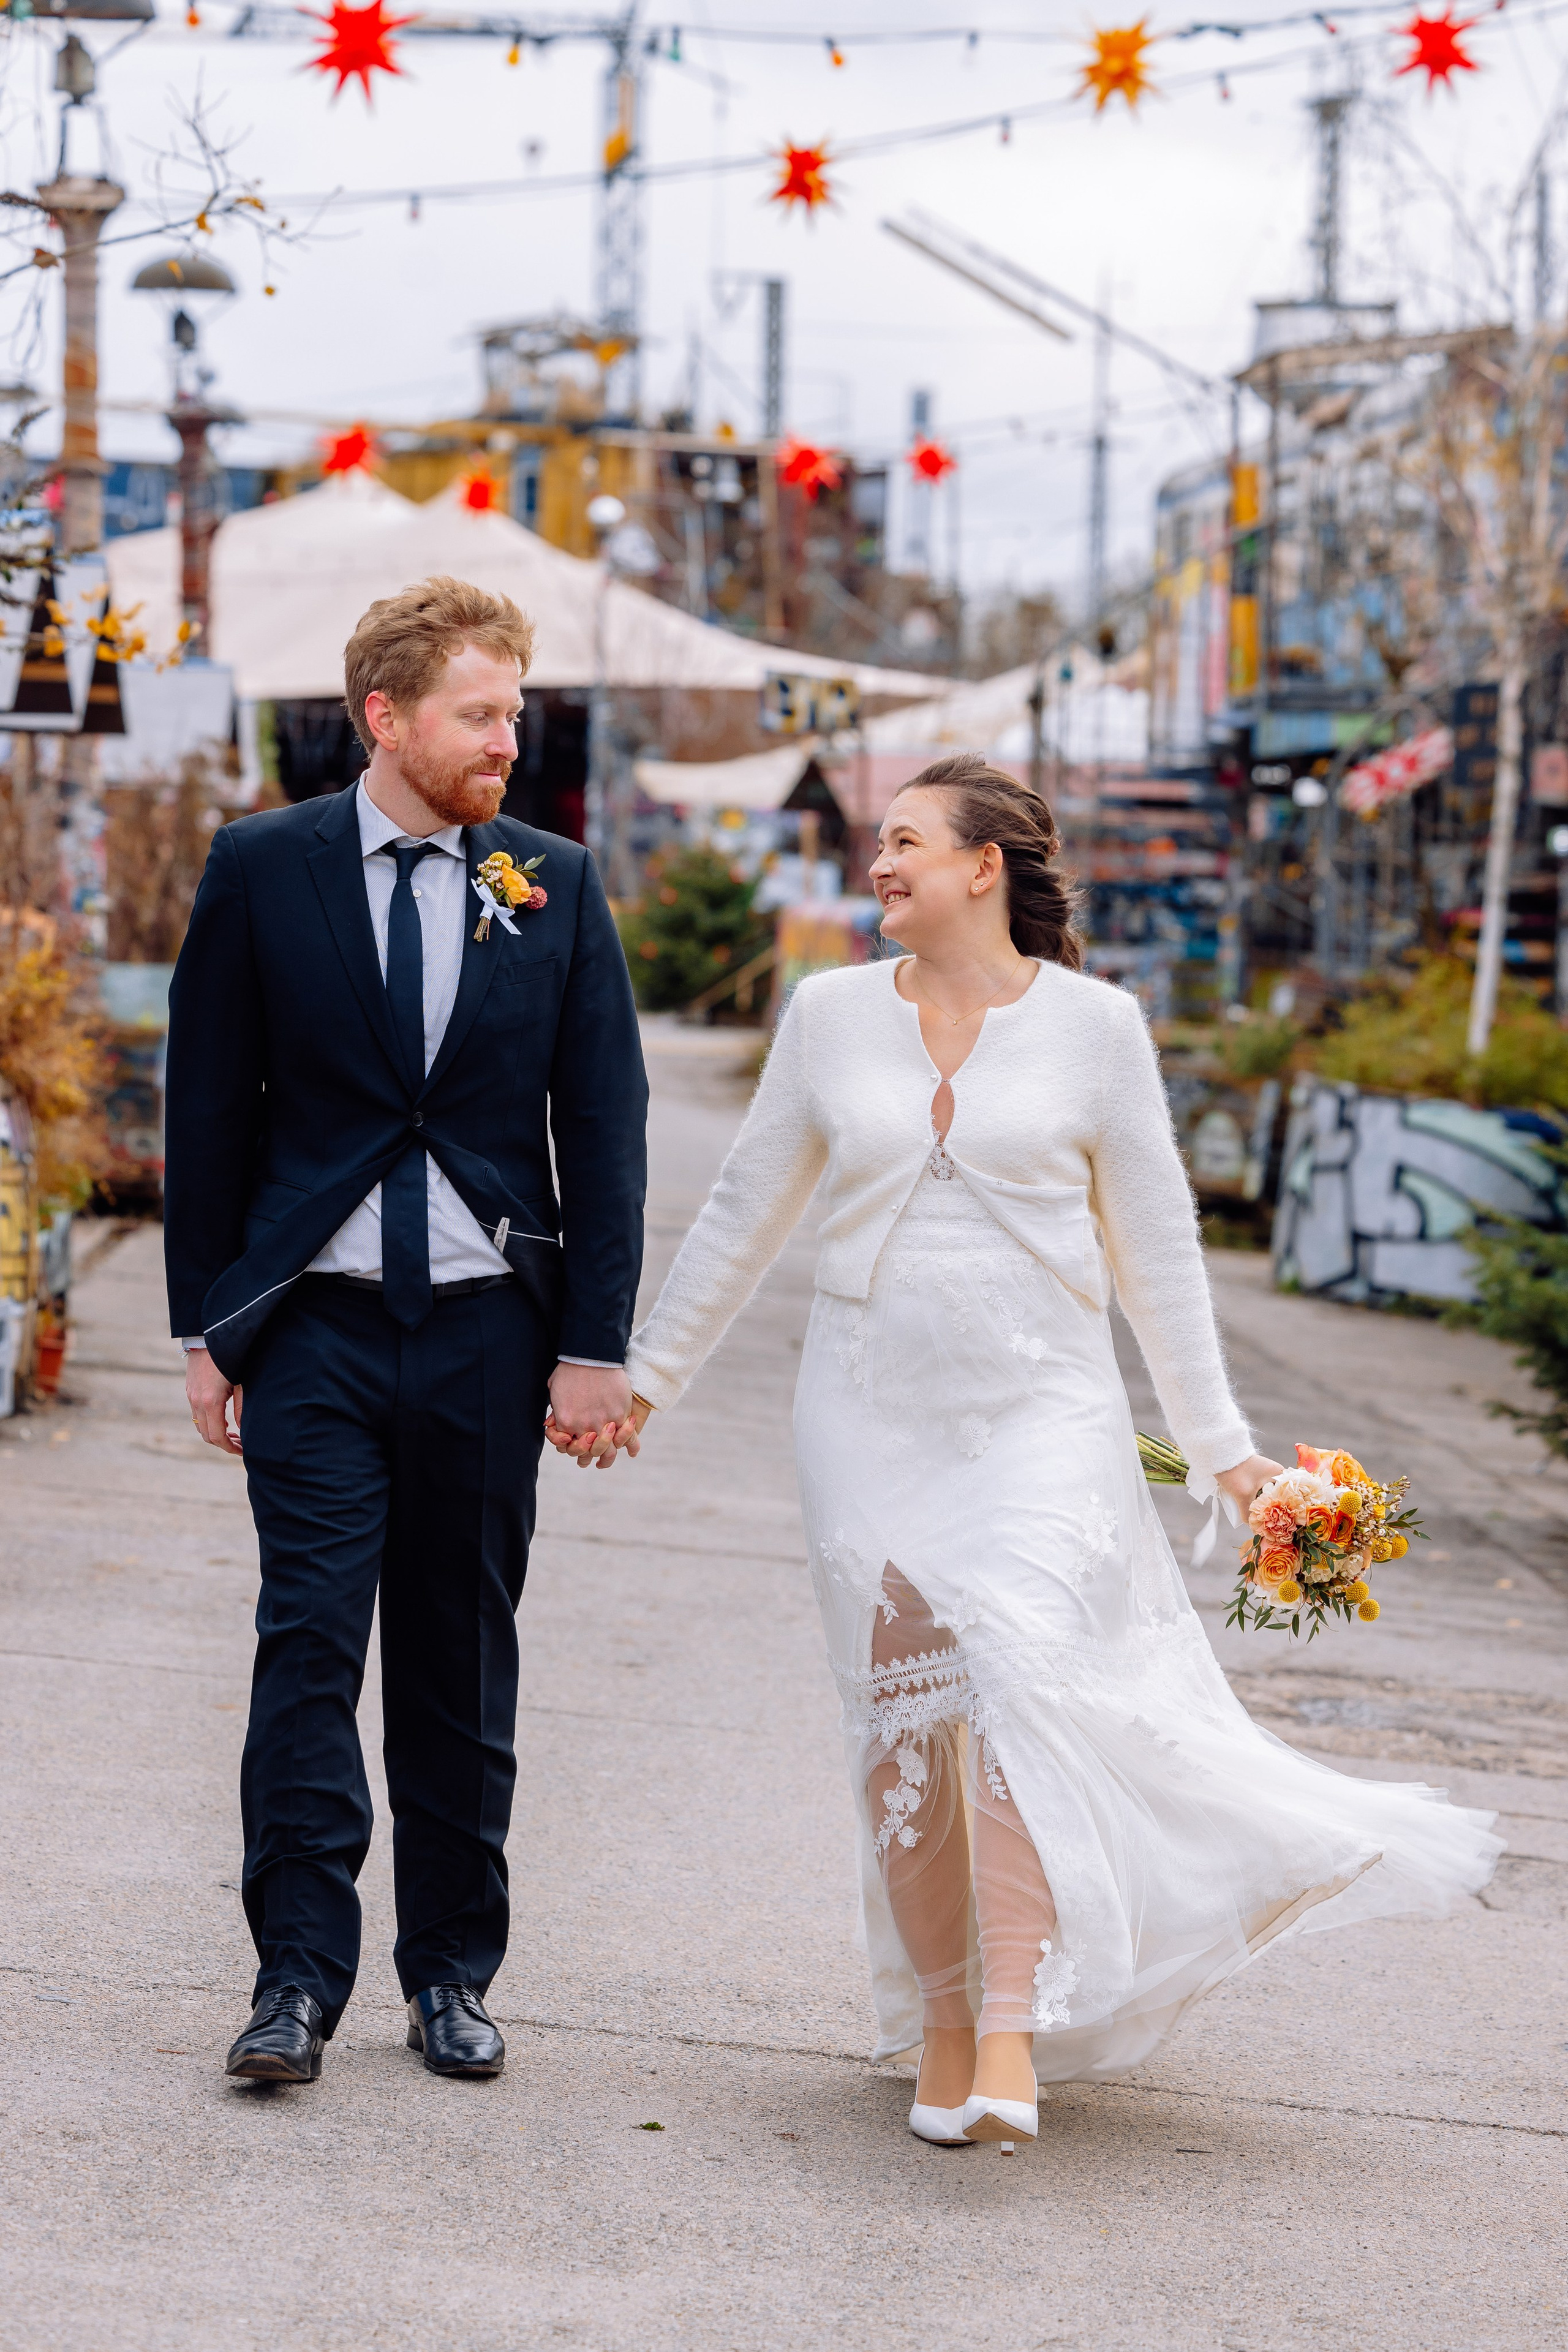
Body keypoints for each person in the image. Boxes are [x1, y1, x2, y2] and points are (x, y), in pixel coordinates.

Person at [615, 753, 1500, 2147]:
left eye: (905, 841)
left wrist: (1221, 1451)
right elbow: (743, 1209)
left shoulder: (1098, 1030)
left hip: (1043, 1413)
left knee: (1018, 1688)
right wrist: (646, 1380)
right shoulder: (829, 1016)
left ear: (984, 866)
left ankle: (1010, 2030)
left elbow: (1157, 1253)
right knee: (907, 1719)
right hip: (864, 1409)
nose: (877, 864)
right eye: (877, 843)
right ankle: (940, 2025)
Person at [166, 576, 647, 2089]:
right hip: (314, 1331)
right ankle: (293, 1982)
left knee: (457, 1661)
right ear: (386, 715)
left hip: (490, 1340)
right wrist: (207, 1328)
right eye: (479, 715)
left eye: (516, 713)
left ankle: (449, 1974)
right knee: (307, 1649)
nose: (508, 741)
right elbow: (208, 1106)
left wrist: (595, 1344)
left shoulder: (552, 882)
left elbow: (604, 1131)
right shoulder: (264, 867)